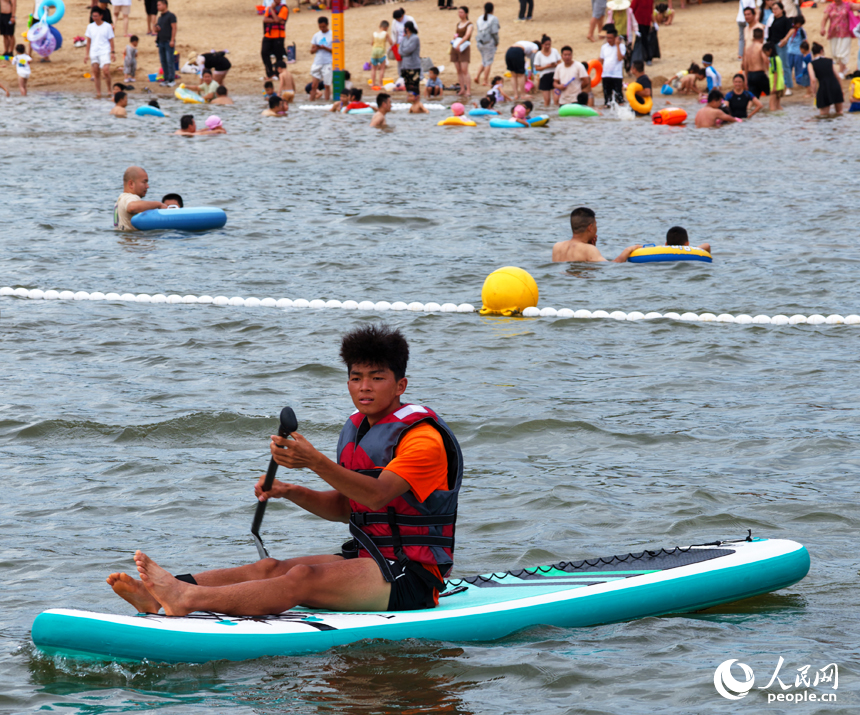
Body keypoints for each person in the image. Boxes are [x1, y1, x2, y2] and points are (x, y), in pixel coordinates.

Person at [107, 325, 464, 618]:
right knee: (269, 568)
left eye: (377, 377)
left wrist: (314, 461)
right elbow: (347, 507)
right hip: (368, 558)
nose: (364, 387)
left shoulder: (423, 439)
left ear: (400, 385)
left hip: (412, 576)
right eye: (356, 378)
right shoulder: (357, 428)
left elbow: (377, 494)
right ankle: (156, 594)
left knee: (302, 577)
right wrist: (291, 491)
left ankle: (186, 599)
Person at [552, 207, 641, 262]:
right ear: (590, 228)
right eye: (596, 224)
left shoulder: (557, 247)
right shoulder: (589, 250)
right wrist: (627, 250)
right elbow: (610, 267)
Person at [114, 166, 166, 230]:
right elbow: (131, 207)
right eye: (144, 182)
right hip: (130, 238)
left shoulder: (120, 199)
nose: (147, 186)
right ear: (131, 184)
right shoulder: (130, 197)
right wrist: (158, 204)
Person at [820, 0, 858, 77]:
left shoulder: (848, 5)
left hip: (845, 32)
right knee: (835, 53)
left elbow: (858, 6)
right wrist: (822, 28)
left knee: (842, 52)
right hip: (833, 33)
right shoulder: (830, 7)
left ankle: (841, 71)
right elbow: (824, 18)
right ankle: (844, 68)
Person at [85, 8, 115, 99]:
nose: (94, 18)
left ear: (101, 16)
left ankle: (109, 90)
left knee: (106, 70)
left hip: (104, 51)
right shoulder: (90, 27)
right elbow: (89, 42)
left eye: (96, 16)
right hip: (94, 51)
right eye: (93, 16)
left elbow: (111, 40)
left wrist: (113, 52)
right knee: (96, 72)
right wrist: (86, 55)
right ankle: (99, 92)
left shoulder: (107, 26)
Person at [808, 42, 844, 115]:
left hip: (823, 88)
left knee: (824, 114)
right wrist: (841, 89)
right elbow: (838, 76)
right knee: (839, 112)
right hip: (835, 86)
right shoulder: (829, 61)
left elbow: (813, 80)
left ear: (813, 53)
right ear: (821, 51)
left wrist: (814, 93)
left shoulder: (811, 64)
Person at [599, 25, 626, 105]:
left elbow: (620, 58)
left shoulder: (621, 46)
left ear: (615, 38)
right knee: (607, 100)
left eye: (610, 38)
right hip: (606, 75)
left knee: (619, 98)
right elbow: (602, 59)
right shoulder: (604, 47)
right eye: (607, 38)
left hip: (616, 75)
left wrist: (617, 45)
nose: (608, 40)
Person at [261, 0, 288, 80]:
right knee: (264, 53)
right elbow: (265, 20)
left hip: (279, 36)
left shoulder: (284, 9)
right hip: (268, 35)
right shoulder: (269, 8)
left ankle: (278, 74)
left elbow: (277, 19)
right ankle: (270, 74)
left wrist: (272, 11)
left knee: (278, 55)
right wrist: (276, 20)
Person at [474, 2, 499, 87]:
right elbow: (494, 32)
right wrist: (497, 42)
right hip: (489, 43)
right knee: (488, 62)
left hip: (479, 42)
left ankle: (477, 76)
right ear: (492, 9)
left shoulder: (480, 18)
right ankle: (485, 80)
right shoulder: (494, 19)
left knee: (484, 60)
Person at [451, 7, 473, 98]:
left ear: (466, 14)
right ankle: (462, 89)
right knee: (458, 69)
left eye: (462, 12)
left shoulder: (469, 24)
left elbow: (467, 35)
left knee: (464, 69)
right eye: (459, 12)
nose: (460, 14)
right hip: (456, 46)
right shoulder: (458, 24)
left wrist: (459, 43)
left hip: (463, 47)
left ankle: (468, 89)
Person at [154, 0, 177, 87]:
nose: (158, 7)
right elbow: (158, 30)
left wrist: (172, 40)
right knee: (163, 61)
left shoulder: (171, 16)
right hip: (161, 41)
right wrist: (156, 29)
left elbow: (174, 28)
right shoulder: (160, 18)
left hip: (168, 41)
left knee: (169, 60)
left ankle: (172, 79)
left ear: (165, 5)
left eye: (159, 5)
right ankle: (166, 78)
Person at [743, 27, 770, 100]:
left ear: (753, 36)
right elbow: (765, 60)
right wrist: (768, 72)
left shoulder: (748, 48)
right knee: (772, 94)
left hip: (750, 75)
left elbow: (745, 64)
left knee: (754, 99)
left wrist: (746, 78)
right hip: (759, 74)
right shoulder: (761, 47)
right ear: (762, 36)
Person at [534, 35, 561, 107]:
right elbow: (537, 68)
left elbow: (560, 62)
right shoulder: (538, 54)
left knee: (557, 99)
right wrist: (547, 66)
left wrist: (555, 65)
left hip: (555, 76)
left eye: (549, 44)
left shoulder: (554, 51)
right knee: (547, 100)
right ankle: (547, 114)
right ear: (542, 45)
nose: (548, 46)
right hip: (544, 77)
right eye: (546, 45)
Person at [310, 16, 332, 102]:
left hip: (328, 62)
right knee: (313, 85)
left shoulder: (332, 34)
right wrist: (317, 48)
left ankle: (327, 102)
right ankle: (311, 102)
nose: (322, 28)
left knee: (327, 85)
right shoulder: (316, 35)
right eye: (320, 27)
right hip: (317, 62)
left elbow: (336, 51)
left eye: (324, 26)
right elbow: (311, 51)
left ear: (327, 25)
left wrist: (325, 48)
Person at [784, 14, 808, 91]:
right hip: (789, 50)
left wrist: (805, 51)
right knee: (788, 67)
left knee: (798, 68)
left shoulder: (801, 30)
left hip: (798, 52)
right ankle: (787, 82)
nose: (799, 25)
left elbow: (805, 40)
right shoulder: (789, 27)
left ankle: (799, 82)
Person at [630, 0, 654, 65]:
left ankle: (640, 56)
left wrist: (653, 22)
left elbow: (651, 10)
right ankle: (648, 57)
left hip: (647, 21)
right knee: (644, 39)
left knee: (643, 39)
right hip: (638, 21)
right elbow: (631, 9)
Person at [399, 21, 421, 93]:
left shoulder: (415, 38)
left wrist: (403, 52)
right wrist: (404, 52)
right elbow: (400, 50)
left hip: (414, 66)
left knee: (414, 87)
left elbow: (409, 49)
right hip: (405, 66)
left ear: (407, 28)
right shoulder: (404, 38)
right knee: (407, 87)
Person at [763, 42, 785, 109]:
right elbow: (781, 71)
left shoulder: (773, 59)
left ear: (770, 50)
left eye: (765, 52)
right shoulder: (778, 58)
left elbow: (775, 72)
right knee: (778, 105)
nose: (765, 54)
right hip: (780, 84)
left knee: (772, 105)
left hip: (776, 85)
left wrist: (774, 86)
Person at [370, 20, 391, 88]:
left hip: (374, 52)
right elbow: (391, 42)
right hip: (381, 52)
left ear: (380, 26)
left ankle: (373, 83)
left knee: (373, 69)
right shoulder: (386, 33)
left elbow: (372, 43)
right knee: (382, 69)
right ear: (386, 27)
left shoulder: (374, 33)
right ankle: (380, 84)